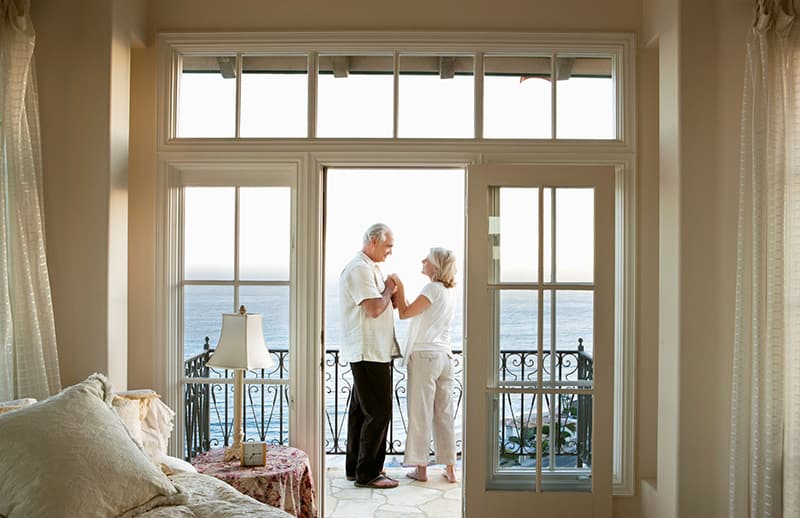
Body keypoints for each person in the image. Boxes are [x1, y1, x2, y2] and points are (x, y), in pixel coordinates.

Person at [338, 223, 400, 489]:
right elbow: (374, 309)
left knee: (361, 413)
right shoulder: (360, 269)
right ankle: (369, 474)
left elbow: (381, 305)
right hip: (368, 352)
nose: (390, 252)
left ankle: (356, 468)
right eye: (388, 246)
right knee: (378, 411)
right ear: (373, 241)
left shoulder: (367, 267)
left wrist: (389, 293)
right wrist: (388, 289)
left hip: (371, 350)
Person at [389, 247, 458, 484]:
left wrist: (399, 282)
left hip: (426, 357)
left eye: (426, 259)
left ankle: (421, 469)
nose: (422, 260)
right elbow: (412, 309)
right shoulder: (449, 291)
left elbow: (405, 312)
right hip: (445, 358)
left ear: (435, 266)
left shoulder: (431, 288)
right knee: (444, 413)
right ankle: (450, 468)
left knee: (421, 413)